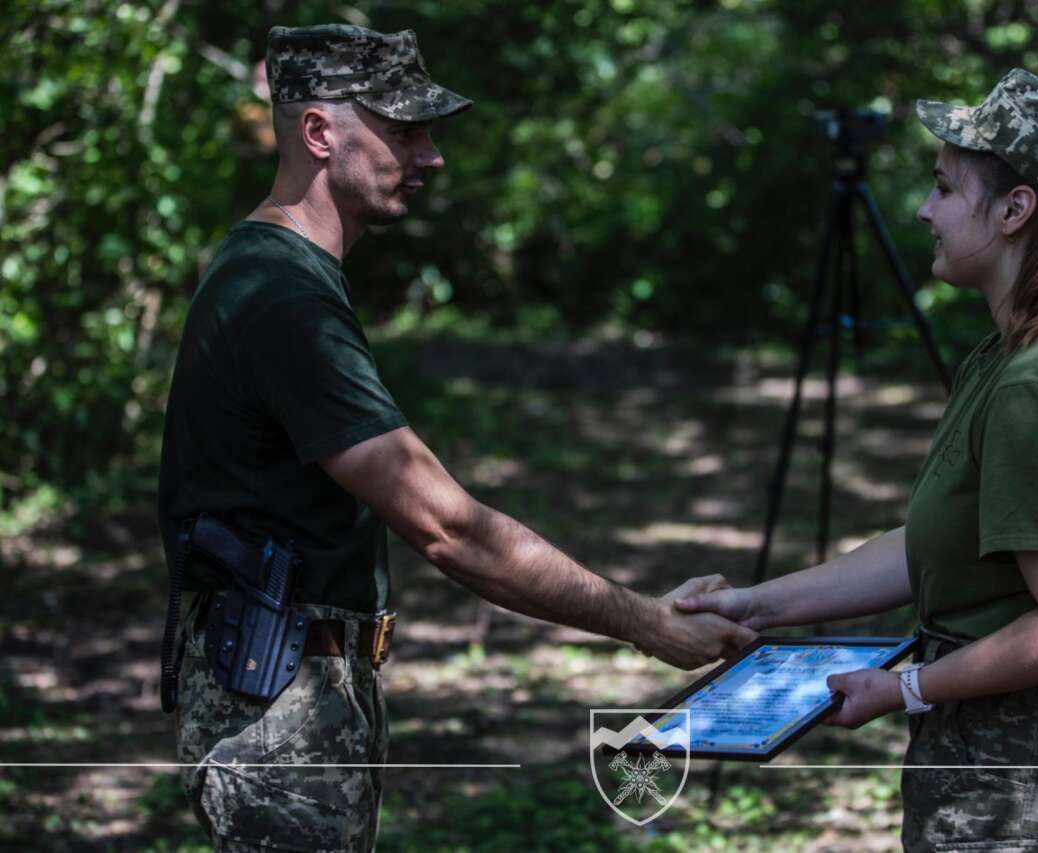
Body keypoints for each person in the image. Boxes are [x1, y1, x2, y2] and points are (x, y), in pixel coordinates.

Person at [157, 24, 754, 852]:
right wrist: (648, 623)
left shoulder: (281, 274)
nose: (432, 155)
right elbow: (449, 528)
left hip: (297, 682)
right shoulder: (280, 295)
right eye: (405, 130)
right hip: (276, 702)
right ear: (320, 134)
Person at [677, 68, 1038, 852]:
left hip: (1032, 772)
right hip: (1006, 751)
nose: (924, 210)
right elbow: (933, 544)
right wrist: (756, 605)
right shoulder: (1010, 357)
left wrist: (905, 687)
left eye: (942, 187)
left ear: (1015, 209)